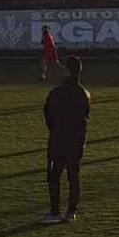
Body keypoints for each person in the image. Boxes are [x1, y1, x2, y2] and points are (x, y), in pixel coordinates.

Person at [40, 56, 91, 225]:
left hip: (59, 139)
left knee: (54, 176)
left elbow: (48, 116)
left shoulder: (56, 93)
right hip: (75, 141)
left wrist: (55, 131)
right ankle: (71, 211)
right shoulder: (83, 94)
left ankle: (55, 210)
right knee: (73, 176)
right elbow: (85, 118)